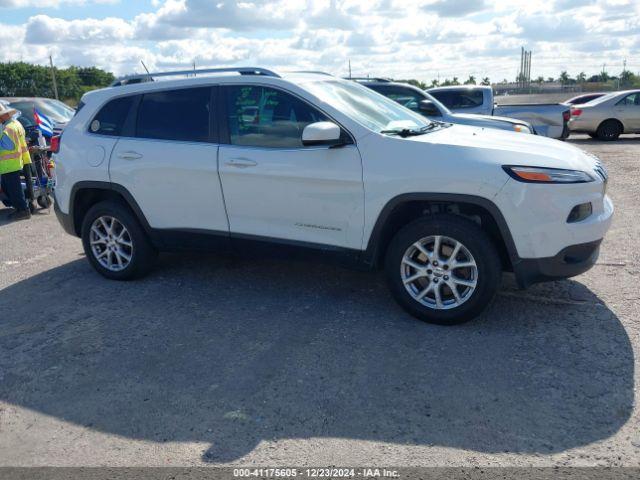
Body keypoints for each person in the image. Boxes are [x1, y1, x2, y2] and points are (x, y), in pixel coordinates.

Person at [0, 104, 32, 220]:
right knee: (12, 188)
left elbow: (7, 146)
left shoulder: (7, 128)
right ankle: (20, 209)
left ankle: (23, 210)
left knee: (14, 189)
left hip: (9, 164)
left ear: (4, 116)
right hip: (15, 161)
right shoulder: (16, 124)